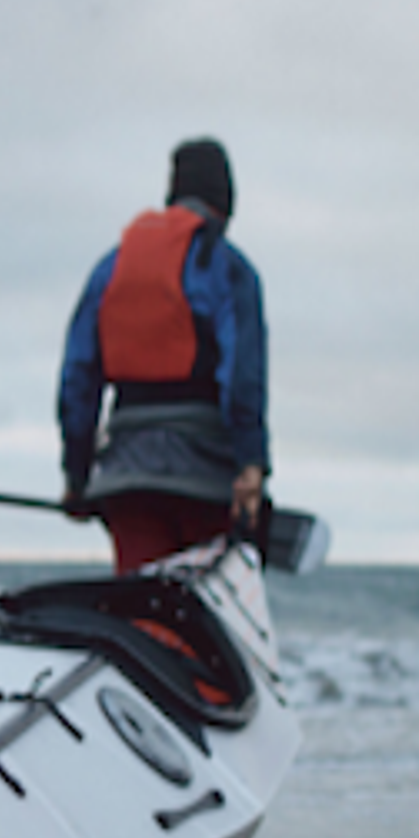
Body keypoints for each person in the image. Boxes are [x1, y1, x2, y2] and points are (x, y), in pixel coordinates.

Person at [59, 138, 269, 574]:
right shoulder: (229, 268)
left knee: (144, 615)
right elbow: (241, 376)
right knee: (200, 624)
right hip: (205, 479)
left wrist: (78, 476)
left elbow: (78, 379)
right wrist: (251, 465)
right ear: (225, 203)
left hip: (127, 480)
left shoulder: (111, 268)